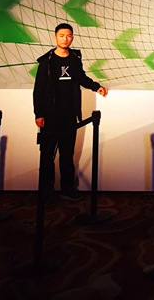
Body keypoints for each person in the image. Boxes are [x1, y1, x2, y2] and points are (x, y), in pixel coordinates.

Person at [33, 22, 108, 200]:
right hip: (50, 115)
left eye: (68, 36)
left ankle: (67, 189)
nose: (65, 39)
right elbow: (38, 89)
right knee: (47, 156)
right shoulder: (46, 62)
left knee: (67, 155)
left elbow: (81, 77)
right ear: (55, 38)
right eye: (61, 36)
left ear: (72, 38)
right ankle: (47, 192)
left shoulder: (74, 58)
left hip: (69, 115)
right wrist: (39, 114)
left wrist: (96, 87)